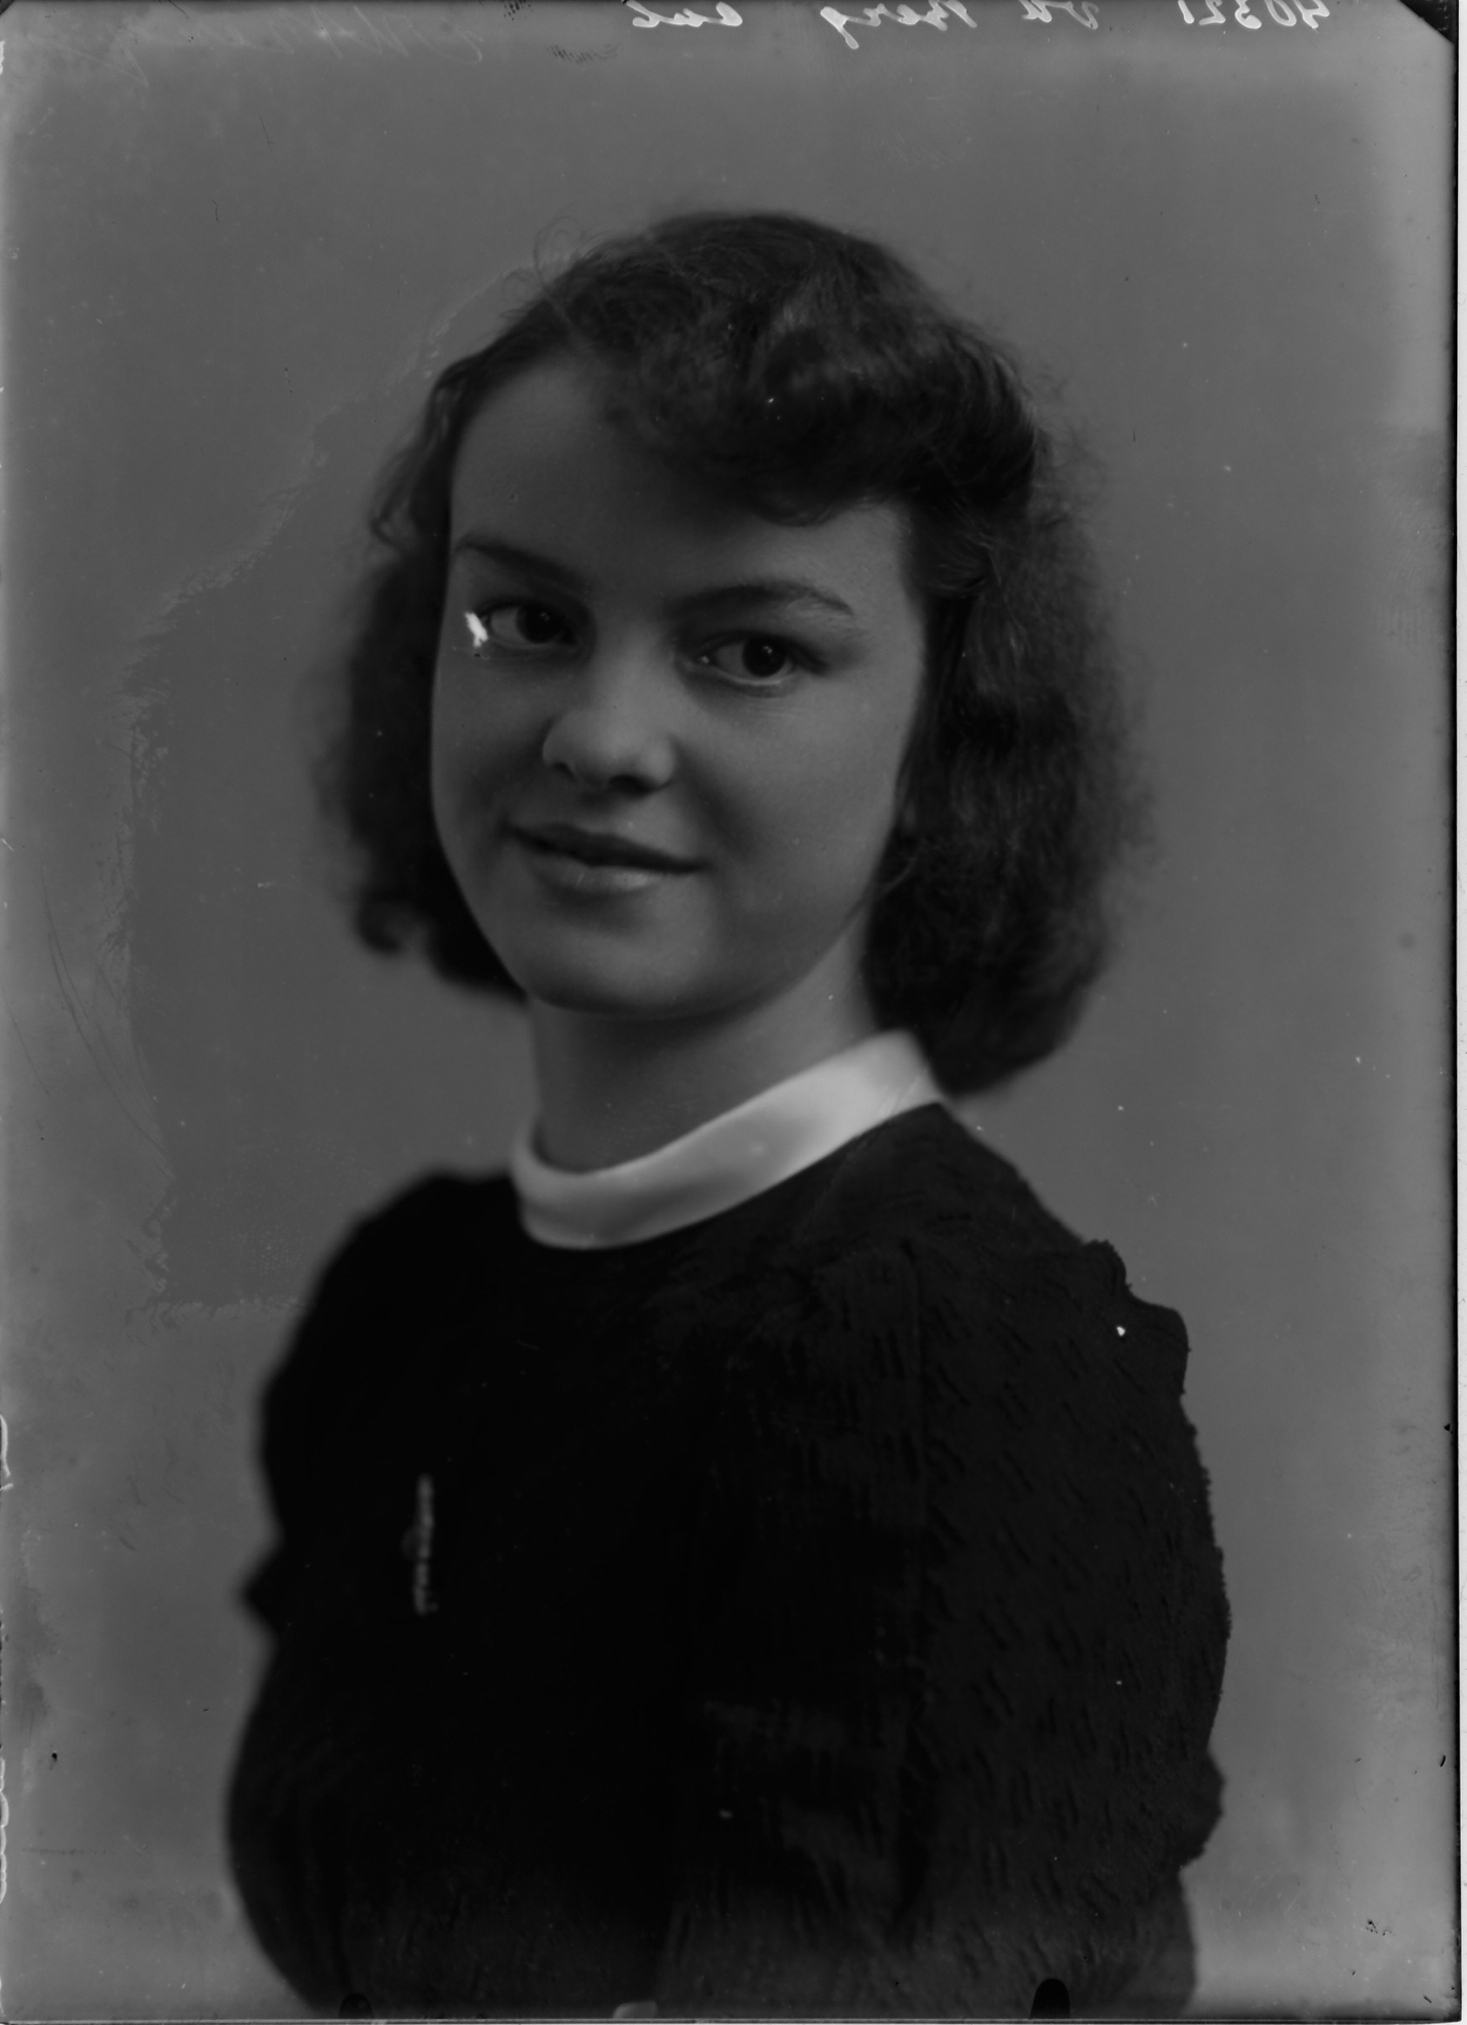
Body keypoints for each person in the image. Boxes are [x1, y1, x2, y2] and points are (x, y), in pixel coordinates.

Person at [227, 211, 1228, 2020]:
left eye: (751, 651)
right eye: (528, 619)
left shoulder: (948, 1367)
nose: (599, 738)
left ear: (943, 738)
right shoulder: (406, 1307)